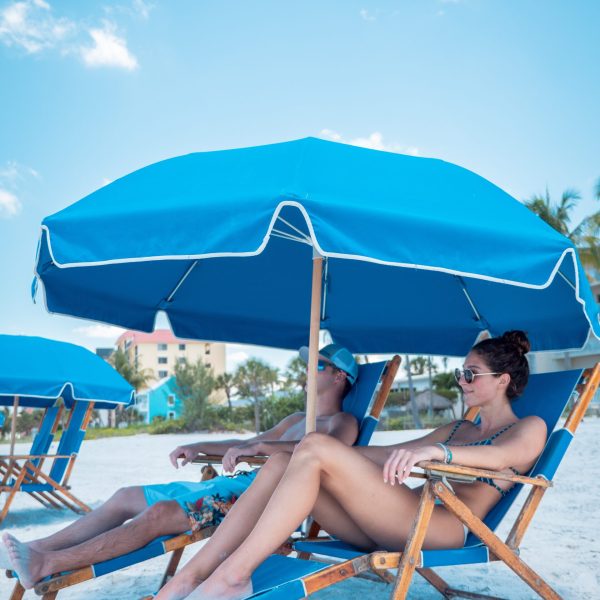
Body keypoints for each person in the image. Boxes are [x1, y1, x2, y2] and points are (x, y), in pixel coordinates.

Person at [152, 330, 547, 600]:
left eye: (470, 374)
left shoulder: (529, 427)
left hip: (442, 527)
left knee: (315, 449)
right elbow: (386, 454)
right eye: (460, 373)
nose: (461, 381)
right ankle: (189, 577)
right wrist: (323, 454)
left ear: (502, 380)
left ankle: (232, 577)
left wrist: (436, 453)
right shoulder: (458, 426)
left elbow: (498, 458)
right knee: (281, 463)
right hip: (396, 520)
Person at [2, 344, 360, 590]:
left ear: (339, 376)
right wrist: (198, 445)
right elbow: (247, 444)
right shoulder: (296, 417)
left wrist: (263, 446)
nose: (308, 370)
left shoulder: (342, 423)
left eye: (318, 364)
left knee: (158, 514)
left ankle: (46, 564)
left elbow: (321, 454)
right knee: (125, 496)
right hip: (234, 485)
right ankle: (39, 548)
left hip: (261, 500)